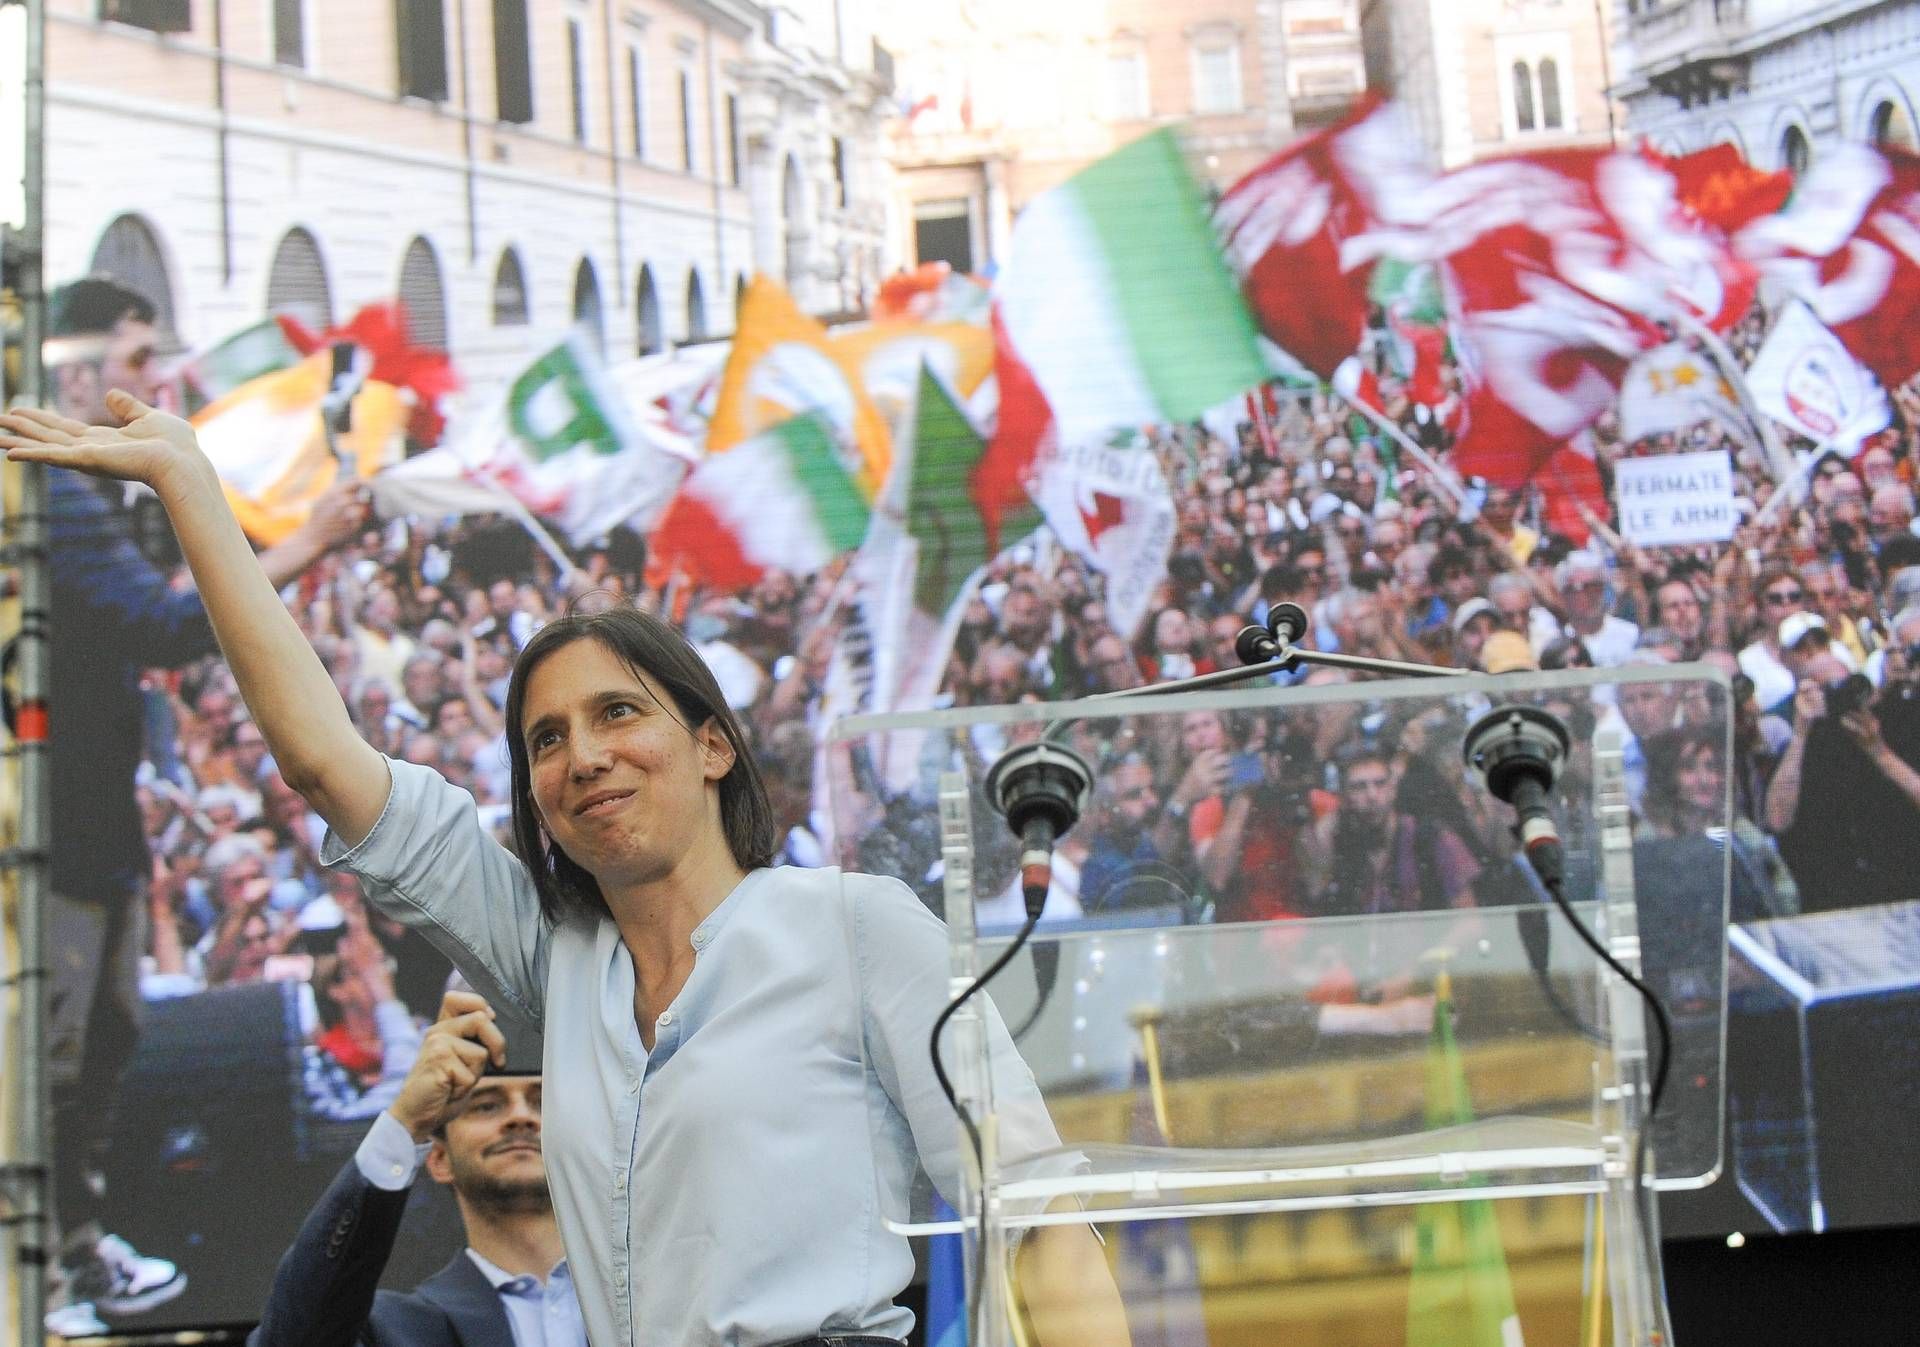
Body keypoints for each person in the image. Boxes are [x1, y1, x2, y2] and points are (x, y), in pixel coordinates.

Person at [0, 394, 1127, 1347]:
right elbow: (323, 760)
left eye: (617, 714)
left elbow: (1033, 1211)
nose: (581, 755)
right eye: (545, 739)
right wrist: (190, 486)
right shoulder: (549, 966)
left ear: (712, 744)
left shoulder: (859, 930)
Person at [31, 280, 367, 1335]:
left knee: (105, 1036)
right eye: (135, 359)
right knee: (51, 1058)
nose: (155, 380)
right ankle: (37, 1285)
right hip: (51, 839)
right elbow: (163, 621)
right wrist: (306, 544)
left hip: (91, 821)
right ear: (74, 371)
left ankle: (77, 1258)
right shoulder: (47, 486)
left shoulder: (81, 486)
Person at [250, 989, 586, 1347]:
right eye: (486, 1106)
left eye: (542, 1102)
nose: (520, 1117)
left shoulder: (645, 1305)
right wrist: (407, 1121)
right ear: (439, 1160)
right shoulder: (390, 1330)